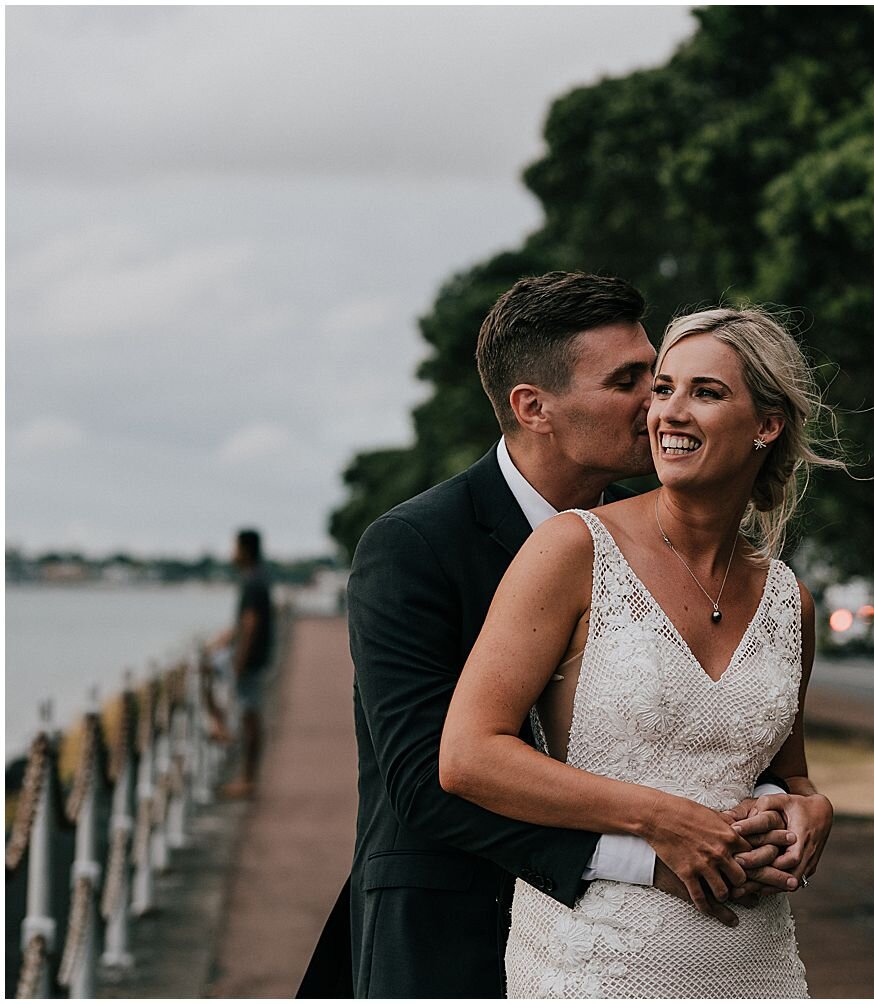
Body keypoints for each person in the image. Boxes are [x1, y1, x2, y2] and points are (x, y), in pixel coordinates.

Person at [299, 274, 811, 999]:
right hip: (451, 933)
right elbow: (424, 781)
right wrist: (646, 852)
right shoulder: (413, 545)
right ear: (534, 407)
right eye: (632, 380)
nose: (655, 403)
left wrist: (789, 802)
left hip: (694, 943)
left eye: (658, 377)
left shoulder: (664, 538)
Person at [440, 306, 839, 997]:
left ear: (767, 426)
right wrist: (662, 818)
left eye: (705, 393)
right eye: (662, 388)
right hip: (595, 962)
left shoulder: (788, 600)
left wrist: (812, 809)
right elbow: (469, 756)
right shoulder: (572, 549)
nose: (668, 413)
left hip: (756, 963)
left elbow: (785, 773)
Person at [212, 528, 274, 798]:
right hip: (255, 658)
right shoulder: (259, 579)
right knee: (250, 716)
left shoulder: (251, 582)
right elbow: (243, 624)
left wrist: (238, 660)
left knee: (250, 719)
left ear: (245, 550)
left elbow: (249, 625)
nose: (232, 553)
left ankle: (246, 778)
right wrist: (220, 643)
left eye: (235, 547)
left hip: (249, 660)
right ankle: (221, 726)